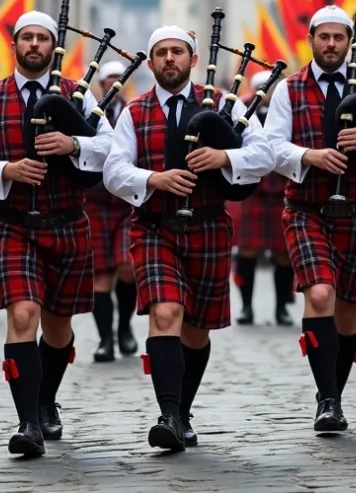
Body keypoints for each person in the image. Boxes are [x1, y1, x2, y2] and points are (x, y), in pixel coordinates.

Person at [103, 25, 273, 451]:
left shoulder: (223, 106)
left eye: (177, 51)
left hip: (208, 225)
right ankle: (167, 414)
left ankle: (181, 413)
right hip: (155, 227)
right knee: (164, 314)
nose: (169, 59)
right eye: (160, 52)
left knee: (196, 331)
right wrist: (153, 178)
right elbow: (113, 171)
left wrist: (225, 156)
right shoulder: (135, 112)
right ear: (152, 60)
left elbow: (265, 154)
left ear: (193, 59)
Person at [0, 11, 112, 457]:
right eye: (27, 38)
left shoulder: (79, 98)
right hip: (13, 225)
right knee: (23, 316)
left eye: (42, 38)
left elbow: (114, 148)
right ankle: (27, 423)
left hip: (66, 222)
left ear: (53, 47)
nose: (35, 45)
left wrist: (74, 144)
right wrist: (8, 169)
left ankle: (45, 400)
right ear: (14, 45)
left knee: (58, 329)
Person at [264, 5, 356, 432]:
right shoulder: (290, 90)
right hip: (307, 210)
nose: (331, 44)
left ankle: (334, 394)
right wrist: (308, 155)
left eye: (339, 38)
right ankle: (326, 399)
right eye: (324, 37)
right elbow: (270, 146)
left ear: (349, 42)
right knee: (321, 296)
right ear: (310, 39)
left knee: (348, 315)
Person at [84, 60, 139, 362]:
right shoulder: (88, 114)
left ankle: (125, 327)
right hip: (95, 202)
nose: (114, 84)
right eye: (109, 79)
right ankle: (105, 339)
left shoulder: (132, 113)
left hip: (125, 202)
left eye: (119, 79)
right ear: (101, 84)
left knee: (126, 267)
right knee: (100, 276)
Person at [231, 69, 295, 327]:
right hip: (251, 190)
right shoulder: (240, 110)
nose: (266, 95)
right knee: (247, 251)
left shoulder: (286, 110)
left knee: (283, 253)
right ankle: (246, 306)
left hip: (281, 189)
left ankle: (281, 308)